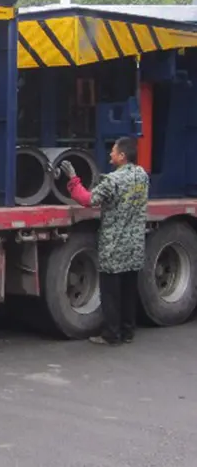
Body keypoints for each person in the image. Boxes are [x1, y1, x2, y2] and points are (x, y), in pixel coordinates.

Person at [60, 136, 149, 346]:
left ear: (122, 156)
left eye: (113, 151)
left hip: (114, 245)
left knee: (111, 293)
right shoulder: (142, 176)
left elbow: (87, 200)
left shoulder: (113, 181)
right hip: (134, 245)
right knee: (128, 290)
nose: (110, 154)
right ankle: (127, 332)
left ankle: (111, 334)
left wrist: (73, 179)